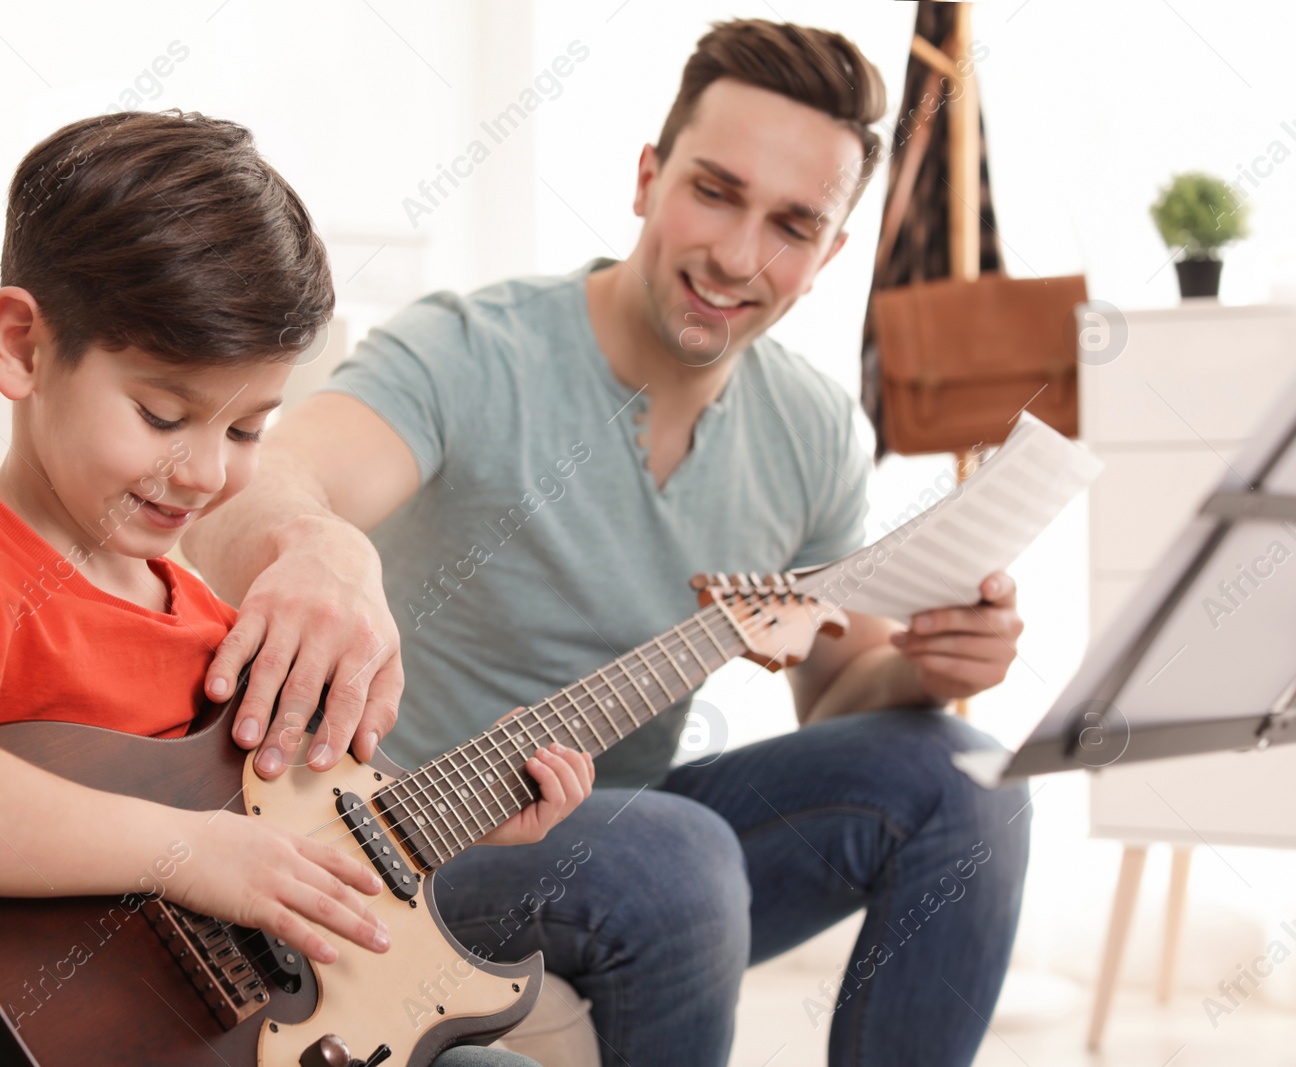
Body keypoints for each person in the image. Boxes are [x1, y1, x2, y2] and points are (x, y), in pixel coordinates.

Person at [182, 19, 1033, 1067]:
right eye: (712, 191)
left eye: (792, 224)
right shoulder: (473, 349)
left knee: (967, 776)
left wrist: (921, 664)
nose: (735, 254)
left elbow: (835, 695)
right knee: (675, 851)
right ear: (646, 177)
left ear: (829, 255)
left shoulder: (811, 429)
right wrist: (319, 545)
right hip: (406, 836)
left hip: (606, 823)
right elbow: (260, 476)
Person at [0, 110, 587, 1067]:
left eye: (249, 430)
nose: (208, 471)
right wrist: (188, 853)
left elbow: (287, 860)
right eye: (163, 413)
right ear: (21, 347)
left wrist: (456, 822)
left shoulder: (221, 626)